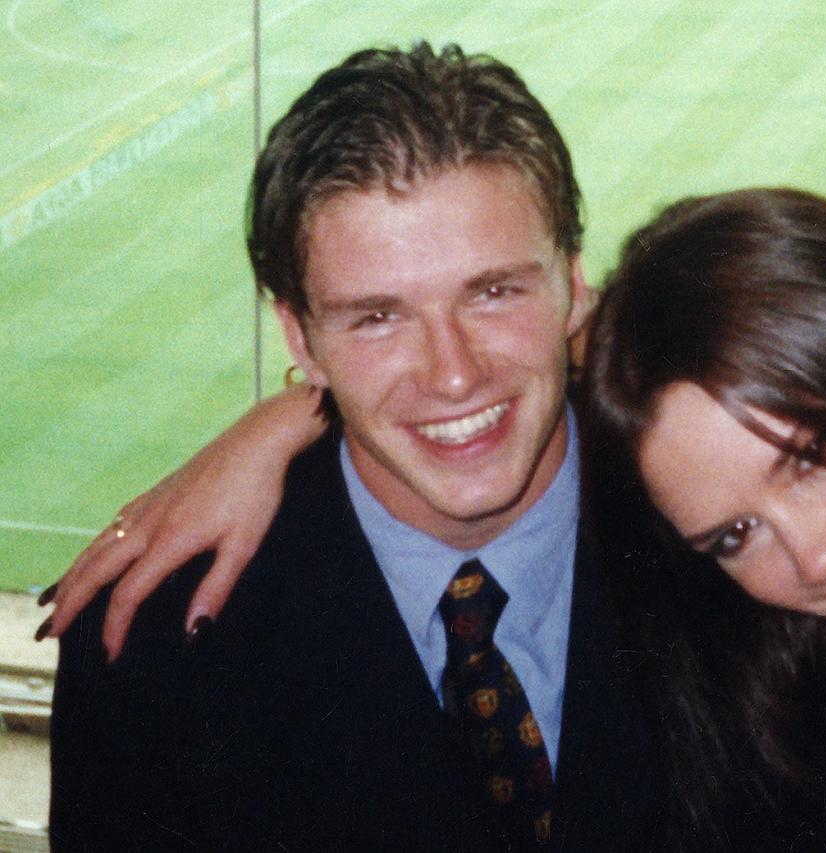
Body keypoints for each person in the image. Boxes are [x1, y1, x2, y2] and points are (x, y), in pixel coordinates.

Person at [46, 188, 826, 850]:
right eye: (733, 534)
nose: (820, 552)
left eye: (814, 452)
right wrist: (308, 413)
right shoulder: (743, 623)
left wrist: (297, 411)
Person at [46, 42, 658, 852]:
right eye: (377, 316)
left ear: (575, 285)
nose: (452, 374)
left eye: (494, 291)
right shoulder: (153, 650)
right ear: (300, 337)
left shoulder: (741, 542)